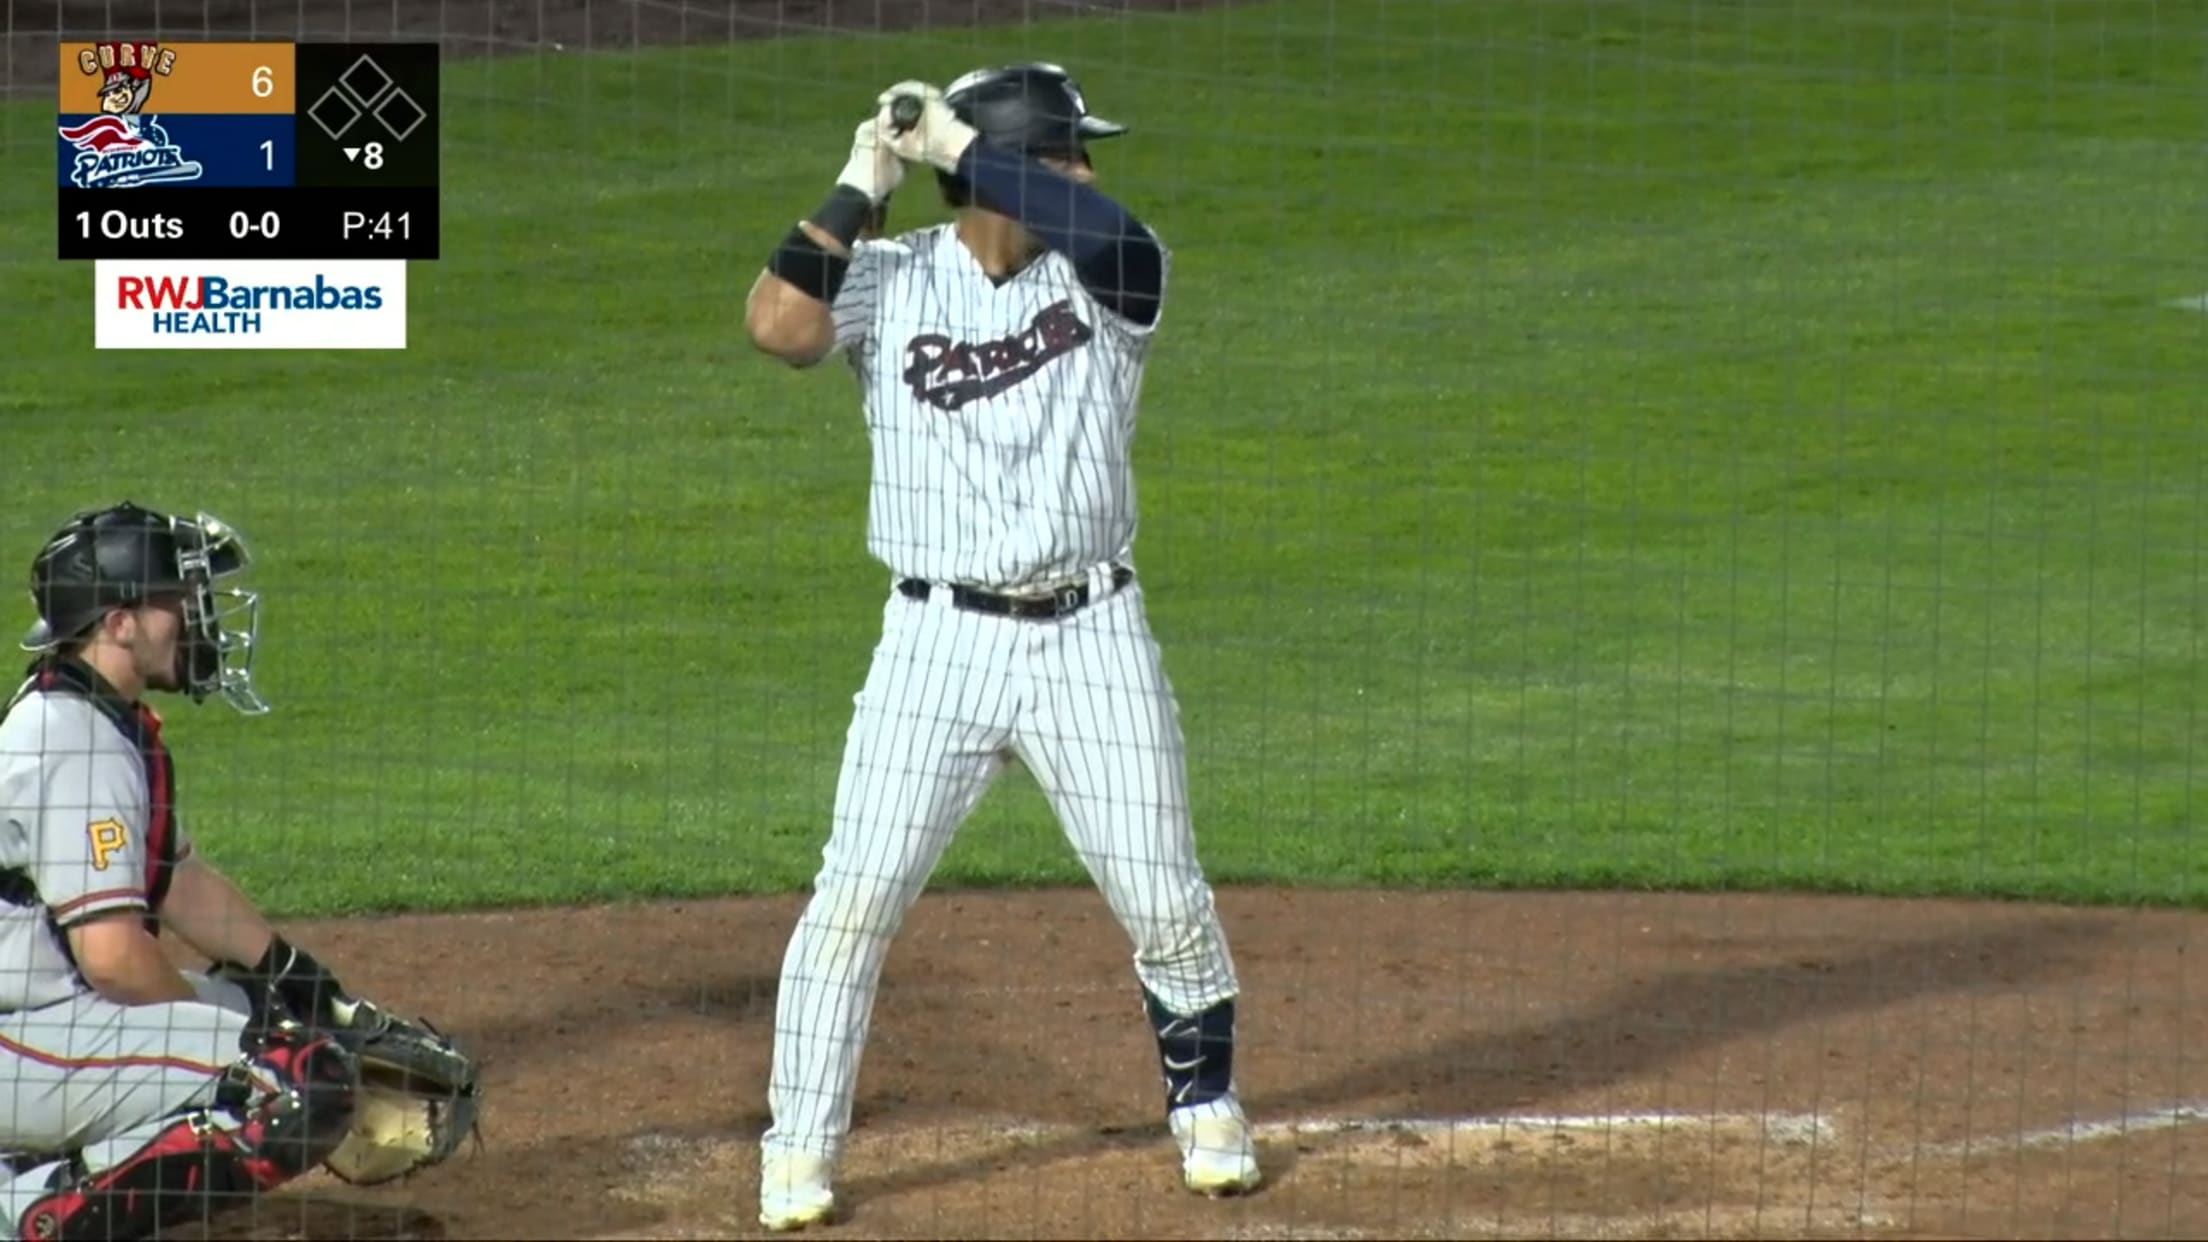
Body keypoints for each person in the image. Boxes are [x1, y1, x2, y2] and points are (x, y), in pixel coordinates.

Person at [741, 62, 1261, 1230]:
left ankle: (1208, 1109)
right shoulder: (891, 279)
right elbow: (777, 325)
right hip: (934, 646)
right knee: (854, 901)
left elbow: (1099, 224)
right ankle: (798, 1149)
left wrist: (956, 151)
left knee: (1164, 896)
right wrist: (861, 179)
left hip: (1093, 638)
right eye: (1072, 150)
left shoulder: (1114, 277)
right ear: (1026, 159)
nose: (1090, 171)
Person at [0, 501, 369, 1240]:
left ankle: (29, 1165)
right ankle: (24, 1211)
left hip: (39, 1028)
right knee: (290, 1083)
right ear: (118, 622)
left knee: (270, 1027)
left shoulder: (96, 716)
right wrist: (239, 1049)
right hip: (21, 1041)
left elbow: (175, 880)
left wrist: (299, 982)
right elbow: (112, 959)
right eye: (174, 600)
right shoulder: (71, 742)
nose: (196, 618)